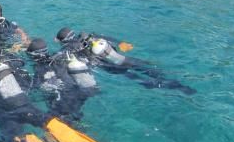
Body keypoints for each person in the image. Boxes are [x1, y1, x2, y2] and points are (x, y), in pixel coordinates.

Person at [55, 27, 196, 95]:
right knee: (146, 68)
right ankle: (177, 83)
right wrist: (122, 43)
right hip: (122, 58)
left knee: (136, 78)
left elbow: (61, 60)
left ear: (63, 41)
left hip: (109, 66)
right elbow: (109, 38)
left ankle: (170, 88)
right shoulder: (88, 36)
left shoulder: (69, 48)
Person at [26, 37, 98, 123]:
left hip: (64, 100)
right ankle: (79, 124)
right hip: (78, 92)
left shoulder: (40, 69)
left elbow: (34, 89)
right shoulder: (58, 58)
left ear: (32, 56)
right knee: (75, 114)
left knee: (55, 120)